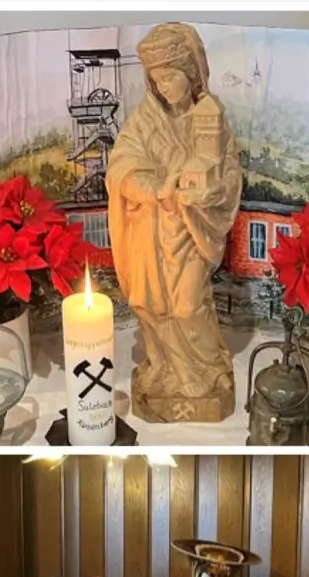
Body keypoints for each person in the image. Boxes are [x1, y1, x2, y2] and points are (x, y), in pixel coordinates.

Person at [105, 23, 241, 422]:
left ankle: (204, 370)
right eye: (156, 80)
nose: (164, 87)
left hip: (191, 230)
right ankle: (166, 369)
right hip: (150, 231)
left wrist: (211, 191)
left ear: (192, 74)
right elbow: (120, 169)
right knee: (151, 306)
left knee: (186, 306)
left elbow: (230, 173)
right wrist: (154, 188)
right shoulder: (143, 122)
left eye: (171, 77)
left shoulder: (212, 118)